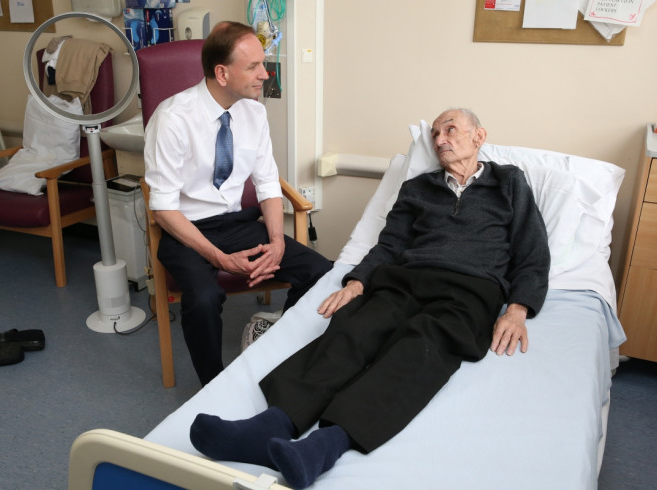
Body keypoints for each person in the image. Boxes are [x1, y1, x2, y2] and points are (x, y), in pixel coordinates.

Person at [188, 108, 552, 488]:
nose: (440, 139)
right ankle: (269, 427)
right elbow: (390, 244)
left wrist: (518, 308)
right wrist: (357, 282)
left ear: (479, 137)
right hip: (405, 279)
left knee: (421, 347)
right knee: (354, 329)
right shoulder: (418, 188)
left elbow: (533, 251)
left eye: (451, 130)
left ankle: (323, 447)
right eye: (435, 135)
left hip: (469, 289)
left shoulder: (508, 182)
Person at [144, 21, 332, 386]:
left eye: (264, 63)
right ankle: (213, 386)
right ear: (222, 73)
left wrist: (277, 241)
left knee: (320, 272)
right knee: (202, 298)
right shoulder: (172, 119)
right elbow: (163, 208)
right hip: (187, 230)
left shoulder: (254, 112)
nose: (265, 74)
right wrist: (217, 258)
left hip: (236, 223)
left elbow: (267, 184)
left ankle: (272, 352)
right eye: (254, 67)